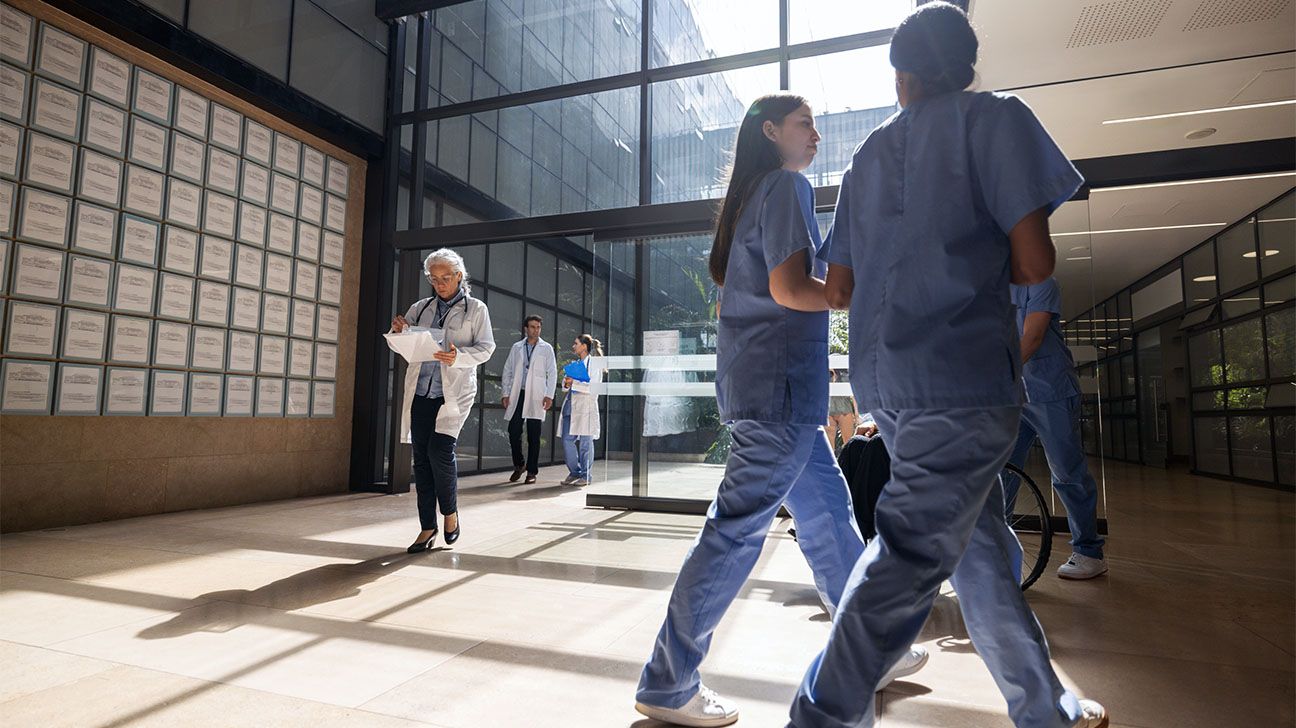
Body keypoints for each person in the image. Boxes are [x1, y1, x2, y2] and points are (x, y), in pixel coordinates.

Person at [788, 5, 1107, 728]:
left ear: (901, 76)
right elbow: (1034, 261)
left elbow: (837, 290)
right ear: (965, 66)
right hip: (959, 378)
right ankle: (816, 716)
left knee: (981, 547)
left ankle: (1044, 706)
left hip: (888, 383)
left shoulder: (867, 153)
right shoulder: (995, 119)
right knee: (906, 552)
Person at [634, 93, 926, 728]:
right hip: (779, 392)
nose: (816, 134)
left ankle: (868, 649)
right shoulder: (786, 186)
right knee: (735, 530)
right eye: (804, 124)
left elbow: (759, 296)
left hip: (768, 387)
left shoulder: (752, 198)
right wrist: (852, 296)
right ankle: (667, 679)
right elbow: (791, 289)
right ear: (770, 132)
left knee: (827, 515)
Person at [390, 249, 495, 553]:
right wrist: (399, 332)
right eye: (434, 279)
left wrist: (458, 356)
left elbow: (487, 349)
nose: (440, 284)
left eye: (446, 278)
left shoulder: (476, 309)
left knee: (440, 449)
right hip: (422, 390)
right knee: (421, 458)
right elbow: (401, 344)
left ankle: (449, 513)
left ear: (459, 276)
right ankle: (427, 528)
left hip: (453, 393)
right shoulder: (419, 308)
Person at [1005, 277, 1107, 579]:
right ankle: (1001, 548)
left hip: (1051, 392)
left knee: (1067, 473)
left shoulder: (1040, 283)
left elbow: (1032, 338)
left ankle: (1089, 552)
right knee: (1002, 473)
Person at [501, 315, 558, 484]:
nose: (536, 330)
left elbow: (552, 373)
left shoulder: (546, 348)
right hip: (518, 393)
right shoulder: (517, 347)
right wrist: (505, 393)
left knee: (534, 434)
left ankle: (531, 471)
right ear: (526, 328)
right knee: (514, 430)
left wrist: (549, 395)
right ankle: (519, 464)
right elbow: (508, 370)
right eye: (532, 327)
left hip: (537, 395)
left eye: (538, 327)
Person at [560, 334, 603, 486]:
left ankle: (586, 475)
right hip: (570, 406)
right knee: (567, 440)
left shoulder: (594, 365)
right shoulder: (575, 364)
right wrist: (566, 383)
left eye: (576, 343)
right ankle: (575, 471)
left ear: (584, 346)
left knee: (585, 442)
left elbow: (594, 387)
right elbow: (565, 388)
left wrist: (575, 382)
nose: (573, 346)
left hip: (586, 407)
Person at [824, 369, 858, 453]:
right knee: (829, 446)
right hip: (829, 411)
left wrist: (857, 414)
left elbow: (853, 394)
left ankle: (849, 463)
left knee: (849, 442)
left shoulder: (845, 374)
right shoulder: (825, 374)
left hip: (844, 411)